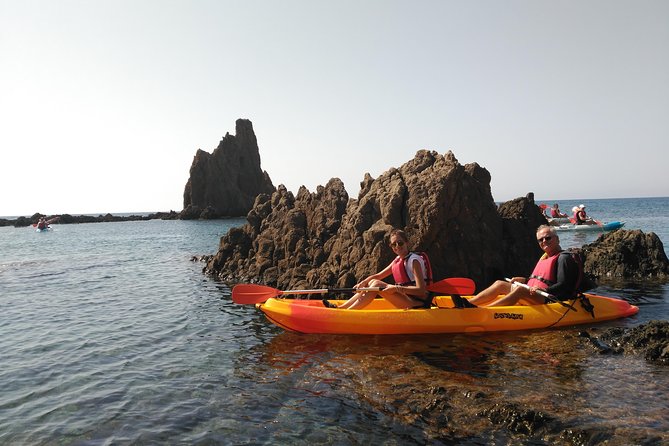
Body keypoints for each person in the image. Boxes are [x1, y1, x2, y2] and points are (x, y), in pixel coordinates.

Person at [462, 225, 580, 307]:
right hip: (534, 293)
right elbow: (542, 279)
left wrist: (544, 290)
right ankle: (469, 303)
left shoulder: (563, 258)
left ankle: (486, 310)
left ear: (557, 239)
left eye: (548, 238)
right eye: (540, 240)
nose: (544, 241)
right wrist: (525, 280)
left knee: (520, 290)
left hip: (549, 298)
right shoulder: (545, 257)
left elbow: (564, 285)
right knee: (500, 284)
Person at [322, 229, 431, 310]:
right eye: (394, 244)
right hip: (407, 298)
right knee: (373, 282)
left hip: (418, 303)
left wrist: (396, 288)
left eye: (400, 243)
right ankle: (341, 308)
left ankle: (346, 313)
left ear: (407, 243)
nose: (397, 246)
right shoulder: (398, 260)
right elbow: (378, 276)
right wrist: (363, 283)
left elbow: (421, 290)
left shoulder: (414, 261)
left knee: (376, 285)